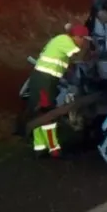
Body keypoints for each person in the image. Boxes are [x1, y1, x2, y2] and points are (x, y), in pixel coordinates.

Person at [26, 23, 91, 159]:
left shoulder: (60, 40)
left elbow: (66, 64)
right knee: (48, 113)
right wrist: (92, 52)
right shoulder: (65, 41)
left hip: (42, 79)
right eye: (83, 39)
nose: (83, 43)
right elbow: (78, 57)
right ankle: (53, 149)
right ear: (77, 37)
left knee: (39, 113)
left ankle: (40, 147)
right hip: (44, 80)